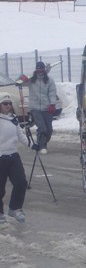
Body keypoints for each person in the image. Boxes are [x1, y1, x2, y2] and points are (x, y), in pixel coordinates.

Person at [0, 92, 36, 224]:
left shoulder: (13, 119)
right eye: (5, 103)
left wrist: (32, 145)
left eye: (9, 104)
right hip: (1, 156)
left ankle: (14, 208)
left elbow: (20, 136)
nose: (8, 106)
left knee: (21, 182)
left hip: (13, 155)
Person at [17, 61, 57, 154]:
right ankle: (42, 146)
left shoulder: (49, 80)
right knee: (42, 127)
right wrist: (21, 78)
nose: (40, 71)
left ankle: (42, 142)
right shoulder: (31, 80)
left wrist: (52, 104)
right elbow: (19, 83)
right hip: (35, 108)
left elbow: (52, 92)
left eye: (41, 69)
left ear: (44, 70)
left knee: (49, 129)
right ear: (36, 70)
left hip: (47, 108)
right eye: (38, 69)